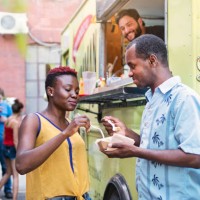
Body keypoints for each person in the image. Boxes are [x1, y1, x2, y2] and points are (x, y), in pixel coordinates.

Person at [101, 34, 200, 200]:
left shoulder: (183, 98)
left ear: (152, 61)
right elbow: (153, 146)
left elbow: (194, 156)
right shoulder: (151, 100)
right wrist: (126, 134)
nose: (130, 74)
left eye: (133, 66)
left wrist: (135, 151)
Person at [16, 66, 92, 200]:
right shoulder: (34, 120)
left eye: (76, 90)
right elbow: (21, 165)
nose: (74, 95)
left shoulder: (71, 124)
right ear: (50, 91)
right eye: (68, 89)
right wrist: (64, 134)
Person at [0, 99, 24, 200]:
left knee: (8, 172)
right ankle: (14, 198)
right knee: (15, 175)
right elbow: (15, 140)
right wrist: (19, 152)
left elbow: (5, 135)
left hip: (5, 147)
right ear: (19, 111)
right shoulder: (15, 123)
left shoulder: (7, 120)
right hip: (12, 149)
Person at [0, 88, 13, 199]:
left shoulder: (6, 106)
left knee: (6, 167)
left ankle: (8, 190)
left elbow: (14, 120)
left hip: (4, 141)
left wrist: (6, 120)